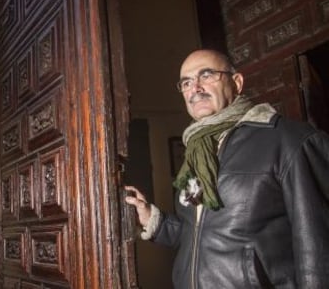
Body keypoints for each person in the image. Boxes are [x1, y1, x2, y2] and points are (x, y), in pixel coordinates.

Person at [125, 49, 329, 289]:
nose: (196, 88)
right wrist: (152, 217)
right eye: (187, 82)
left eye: (207, 75)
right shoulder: (197, 151)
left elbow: (318, 250)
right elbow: (200, 234)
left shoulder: (291, 141)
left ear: (237, 82)